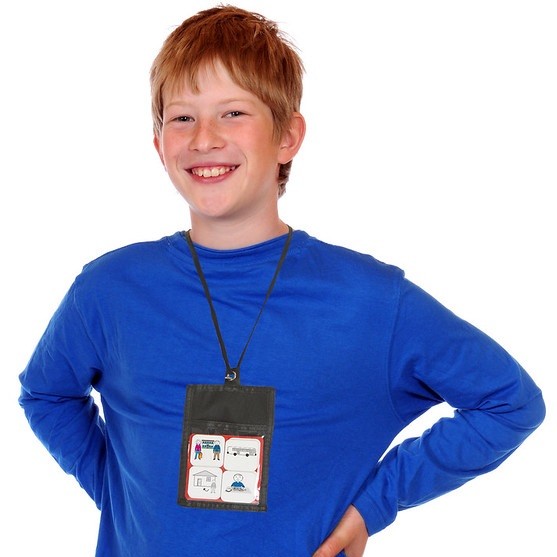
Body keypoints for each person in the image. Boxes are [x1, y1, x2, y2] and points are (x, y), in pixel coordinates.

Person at [18, 5, 545, 557]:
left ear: (288, 136)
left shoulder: (369, 301)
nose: (204, 138)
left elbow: (509, 403)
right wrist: (118, 493)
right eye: (182, 118)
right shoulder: (109, 291)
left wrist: (375, 504)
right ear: (158, 143)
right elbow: (46, 394)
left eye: (233, 112)